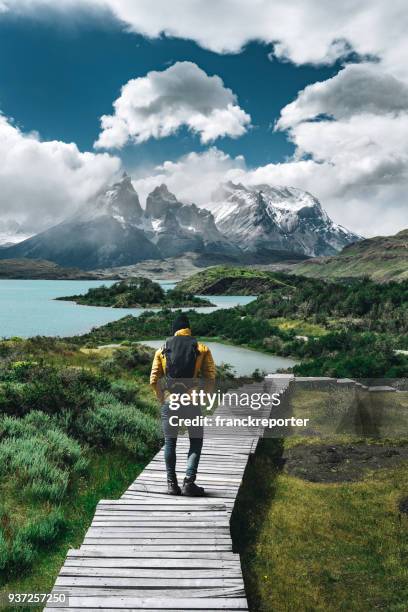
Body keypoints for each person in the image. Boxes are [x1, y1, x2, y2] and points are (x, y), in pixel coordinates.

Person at [150, 313, 216, 496]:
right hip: (191, 400)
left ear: (174, 330)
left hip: (170, 401)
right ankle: (189, 482)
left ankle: (172, 484)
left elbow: (153, 379)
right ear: (188, 328)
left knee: (170, 442)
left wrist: (162, 397)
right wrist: (203, 397)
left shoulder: (162, 349)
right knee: (196, 441)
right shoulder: (201, 348)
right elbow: (210, 377)